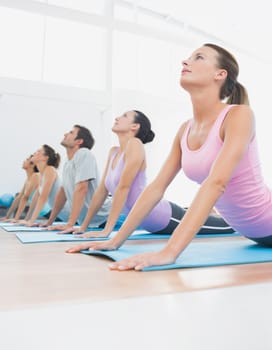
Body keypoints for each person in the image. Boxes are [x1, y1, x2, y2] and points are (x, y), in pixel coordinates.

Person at [69, 43, 272, 271]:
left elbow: (216, 183)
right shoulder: (185, 129)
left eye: (199, 57)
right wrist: (115, 240)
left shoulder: (238, 115)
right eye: (188, 57)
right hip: (256, 235)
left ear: (220, 74)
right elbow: (156, 188)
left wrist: (170, 251)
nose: (185, 62)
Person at [67, 109, 234, 252]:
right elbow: (102, 191)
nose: (117, 118)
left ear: (135, 126)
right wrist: (83, 226)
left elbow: (123, 187)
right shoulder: (114, 152)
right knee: (200, 215)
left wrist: (107, 231)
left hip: (163, 216)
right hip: (150, 223)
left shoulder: (135, 144)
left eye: (124, 116)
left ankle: (220, 211)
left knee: (228, 226)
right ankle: (204, 210)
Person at [44, 125, 111, 232]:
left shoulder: (84, 153)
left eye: (71, 132)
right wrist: (49, 222)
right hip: (92, 223)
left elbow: (81, 189)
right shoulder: (68, 162)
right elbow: (63, 192)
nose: (65, 134)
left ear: (79, 141)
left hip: (107, 218)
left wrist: (70, 224)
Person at [20, 145, 70, 226]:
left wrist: (31, 221)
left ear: (45, 157)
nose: (34, 153)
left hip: (69, 213)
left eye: (38, 151)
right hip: (62, 216)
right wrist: (27, 220)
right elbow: (35, 199)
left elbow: (43, 197)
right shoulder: (40, 175)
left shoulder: (50, 170)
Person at [0, 155, 40, 222]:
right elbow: (18, 197)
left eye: (27, 159)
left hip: (49, 214)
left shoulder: (35, 176)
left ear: (32, 165)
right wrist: (7, 217)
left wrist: (16, 219)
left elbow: (25, 198)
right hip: (40, 213)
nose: (24, 161)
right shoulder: (28, 179)